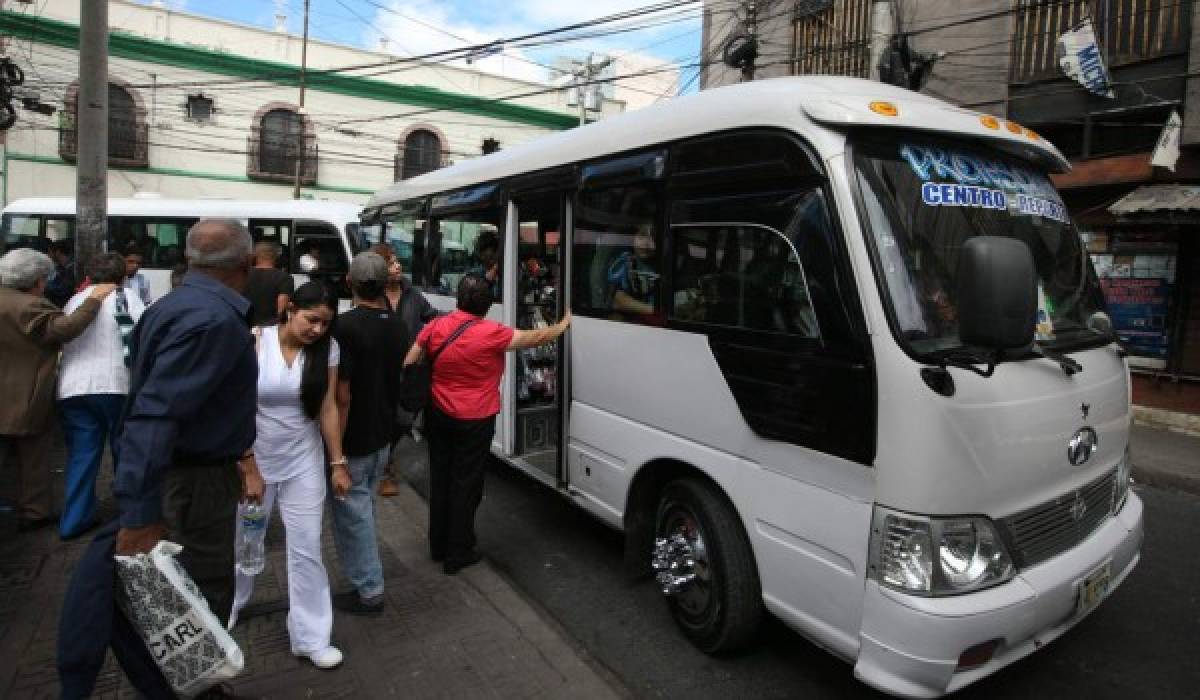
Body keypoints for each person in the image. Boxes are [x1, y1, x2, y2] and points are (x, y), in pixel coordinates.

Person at [113, 219, 257, 633]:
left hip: (188, 475)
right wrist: (139, 514)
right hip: (195, 482)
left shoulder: (172, 305)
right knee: (200, 593)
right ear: (245, 264)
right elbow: (156, 415)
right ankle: (198, 688)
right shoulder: (214, 322)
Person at [404, 274, 570, 574]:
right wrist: (562, 325)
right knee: (466, 483)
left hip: (439, 413)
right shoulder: (493, 332)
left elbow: (412, 358)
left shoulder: (437, 325)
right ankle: (459, 550)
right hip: (476, 418)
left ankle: (438, 544)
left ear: (458, 300)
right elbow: (536, 337)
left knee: (441, 477)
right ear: (488, 305)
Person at [230, 281, 350, 669]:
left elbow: (329, 407)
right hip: (257, 458)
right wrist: (246, 463)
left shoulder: (327, 349)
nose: (317, 329)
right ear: (290, 308)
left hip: (304, 460)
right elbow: (235, 405)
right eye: (311, 319)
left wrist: (337, 462)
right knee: (246, 538)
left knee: (307, 547)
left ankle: (311, 636)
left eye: (325, 324)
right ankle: (229, 605)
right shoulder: (253, 341)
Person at [0, 249, 114, 532]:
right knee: (33, 456)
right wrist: (93, 300)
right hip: (25, 391)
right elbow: (64, 329)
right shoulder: (28, 306)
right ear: (38, 280)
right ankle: (35, 511)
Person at [330, 252, 410, 614]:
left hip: (355, 436)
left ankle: (369, 590)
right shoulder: (396, 324)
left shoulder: (344, 326)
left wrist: (337, 455)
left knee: (353, 515)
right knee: (364, 509)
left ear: (350, 281)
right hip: (383, 431)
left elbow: (342, 394)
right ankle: (368, 581)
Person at [56, 253, 146, 539]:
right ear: (123, 276)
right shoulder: (128, 298)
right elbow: (141, 336)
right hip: (116, 384)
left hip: (73, 387)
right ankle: (128, 515)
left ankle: (74, 519)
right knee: (124, 451)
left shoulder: (74, 301)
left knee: (82, 454)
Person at [370, 243, 438, 498]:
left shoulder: (413, 295)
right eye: (390, 263)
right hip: (382, 370)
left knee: (403, 419)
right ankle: (386, 469)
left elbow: (432, 318)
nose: (397, 266)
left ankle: (385, 457)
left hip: (411, 371)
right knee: (384, 417)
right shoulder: (372, 296)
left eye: (397, 261)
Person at [607, 224, 659, 316]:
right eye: (642, 236)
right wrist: (653, 310)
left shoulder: (663, 265)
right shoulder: (625, 262)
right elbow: (618, 299)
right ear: (633, 237)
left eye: (653, 238)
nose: (646, 243)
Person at [242, 240, 294, 326]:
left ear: (255, 255)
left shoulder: (242, 274)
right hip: (269, 328)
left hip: (243, 325)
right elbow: (282, 308)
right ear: (276, 256)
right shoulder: (284, 277)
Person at [45, 239, 77, 308]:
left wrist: (43, 286)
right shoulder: (60, 267)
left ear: (58, 252)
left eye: (49, 252)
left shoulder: (72, 269)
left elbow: (62, 290)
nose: (48, 255)